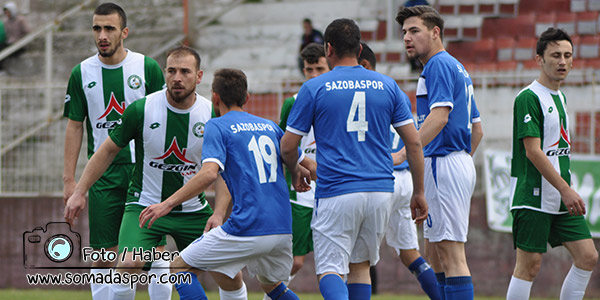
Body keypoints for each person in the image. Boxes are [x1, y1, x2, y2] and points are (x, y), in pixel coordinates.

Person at [281, 18, 427, 300]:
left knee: (330, 271)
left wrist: (296, 168)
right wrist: (419, 191)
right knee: (359, 267)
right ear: (360, 48)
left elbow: (288, 146)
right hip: (380, 190)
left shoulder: (314, 88)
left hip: (338, 189)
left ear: (328, 49)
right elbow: (414, 142)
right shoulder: (388, 85)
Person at [138, 68, 312, 300]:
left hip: (248, 225)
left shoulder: (218, 126)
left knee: (178, 268)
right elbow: (309, 164)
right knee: (272, 285)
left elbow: (209, 173)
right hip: (281, 227)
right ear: (247, 98)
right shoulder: (270, 127)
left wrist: (167, 204)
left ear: (215, 98)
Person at [64, 45, 221, 300]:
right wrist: (79, 190)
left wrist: (222, 212)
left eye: (185, 71)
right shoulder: (141, 109)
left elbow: (221, 171)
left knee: (228, 271)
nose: (177, 77)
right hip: (144, 204)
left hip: (192, 210)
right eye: (171, 71)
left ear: (199, 76)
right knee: (127, 264)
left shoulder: (212, 114)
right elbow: (105, 151)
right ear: (164, 73)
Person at [61, 3, 170, 299]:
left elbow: (164, 117)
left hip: (144, 174)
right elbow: (74, 126)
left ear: (124, 32)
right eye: (97, 28)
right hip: (103, 176)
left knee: (153, 251)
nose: (102, 35)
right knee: (103, 254)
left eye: (109, 28)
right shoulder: (81, 72)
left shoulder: (146, 67)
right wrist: (70, 181)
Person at [396, 5, 483, 299]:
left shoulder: (438, 65)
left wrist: (408, 152)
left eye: (414, 30)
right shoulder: (455, 66)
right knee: (437, 255)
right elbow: (478, 129)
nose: (407, 37)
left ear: (435, 32)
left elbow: (440, 117)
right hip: (453, 161)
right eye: (404, 32)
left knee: (452, 255)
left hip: (443, 161)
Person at [506, 28, 598, 300]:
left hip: (560, 197)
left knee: (587, 256)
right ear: (539, 60)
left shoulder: (561, 97)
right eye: (555, 55)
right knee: (529, 266)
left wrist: (564, 190)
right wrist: (566, 189)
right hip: (533, 195)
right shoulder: (529, 97)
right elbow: (533, 152)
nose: (562, 61)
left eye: (567, 55)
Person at [359, 41, 441, 300]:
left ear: (364, 65)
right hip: (406, 179)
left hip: (381, 178)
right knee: (409, 254)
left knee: (355, 258)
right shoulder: (393, 93)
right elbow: (413, 139)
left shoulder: (363, 95)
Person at [272, 43, 329, 296]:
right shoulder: (292, 103)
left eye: (320, 68)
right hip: (301, 192)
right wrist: (302, 167)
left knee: (337, 260)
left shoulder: (339, 99)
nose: (314, 75)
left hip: (334, 189)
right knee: (295, 260)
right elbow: (283, 146)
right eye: (309, 69)